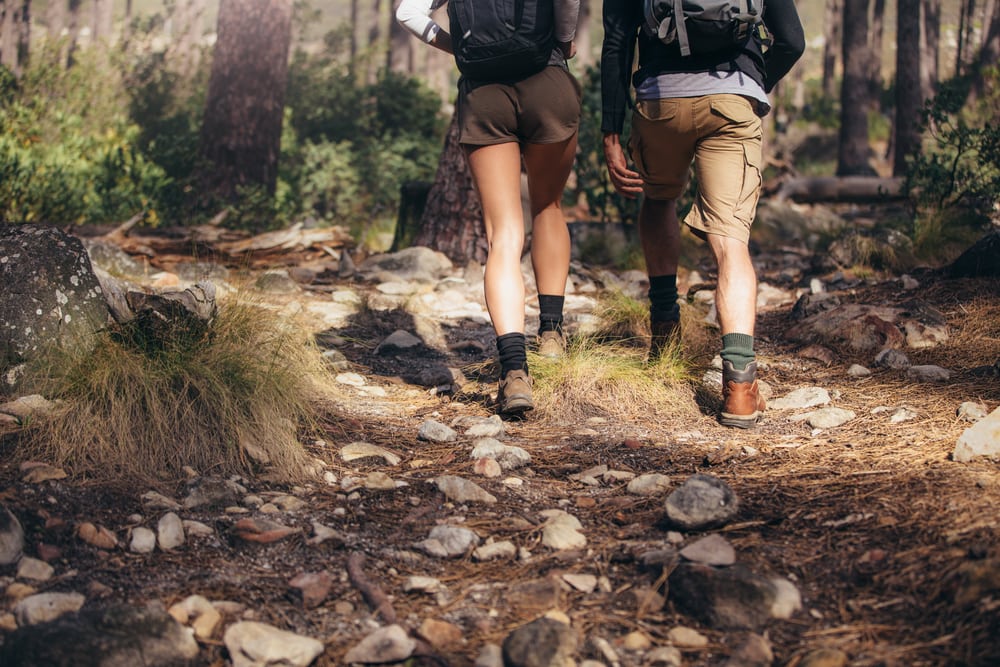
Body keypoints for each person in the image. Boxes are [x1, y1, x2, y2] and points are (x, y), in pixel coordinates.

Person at [600, 0, 804, 428]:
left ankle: (665, 338)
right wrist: (751, 80)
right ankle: (740, 387)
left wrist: (610, 129)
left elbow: (617, 41)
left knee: (658, 200)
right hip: (733, 99)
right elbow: (792, 41)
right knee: (731, 242)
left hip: (660, 102)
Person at [397, 0, 582, 416]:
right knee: (548, 207)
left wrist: (457, 49)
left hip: (482, 92)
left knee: (503, 236)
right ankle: (551, 335)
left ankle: (515, 371)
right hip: (546, 80)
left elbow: (407, 14)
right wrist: (565, 42)